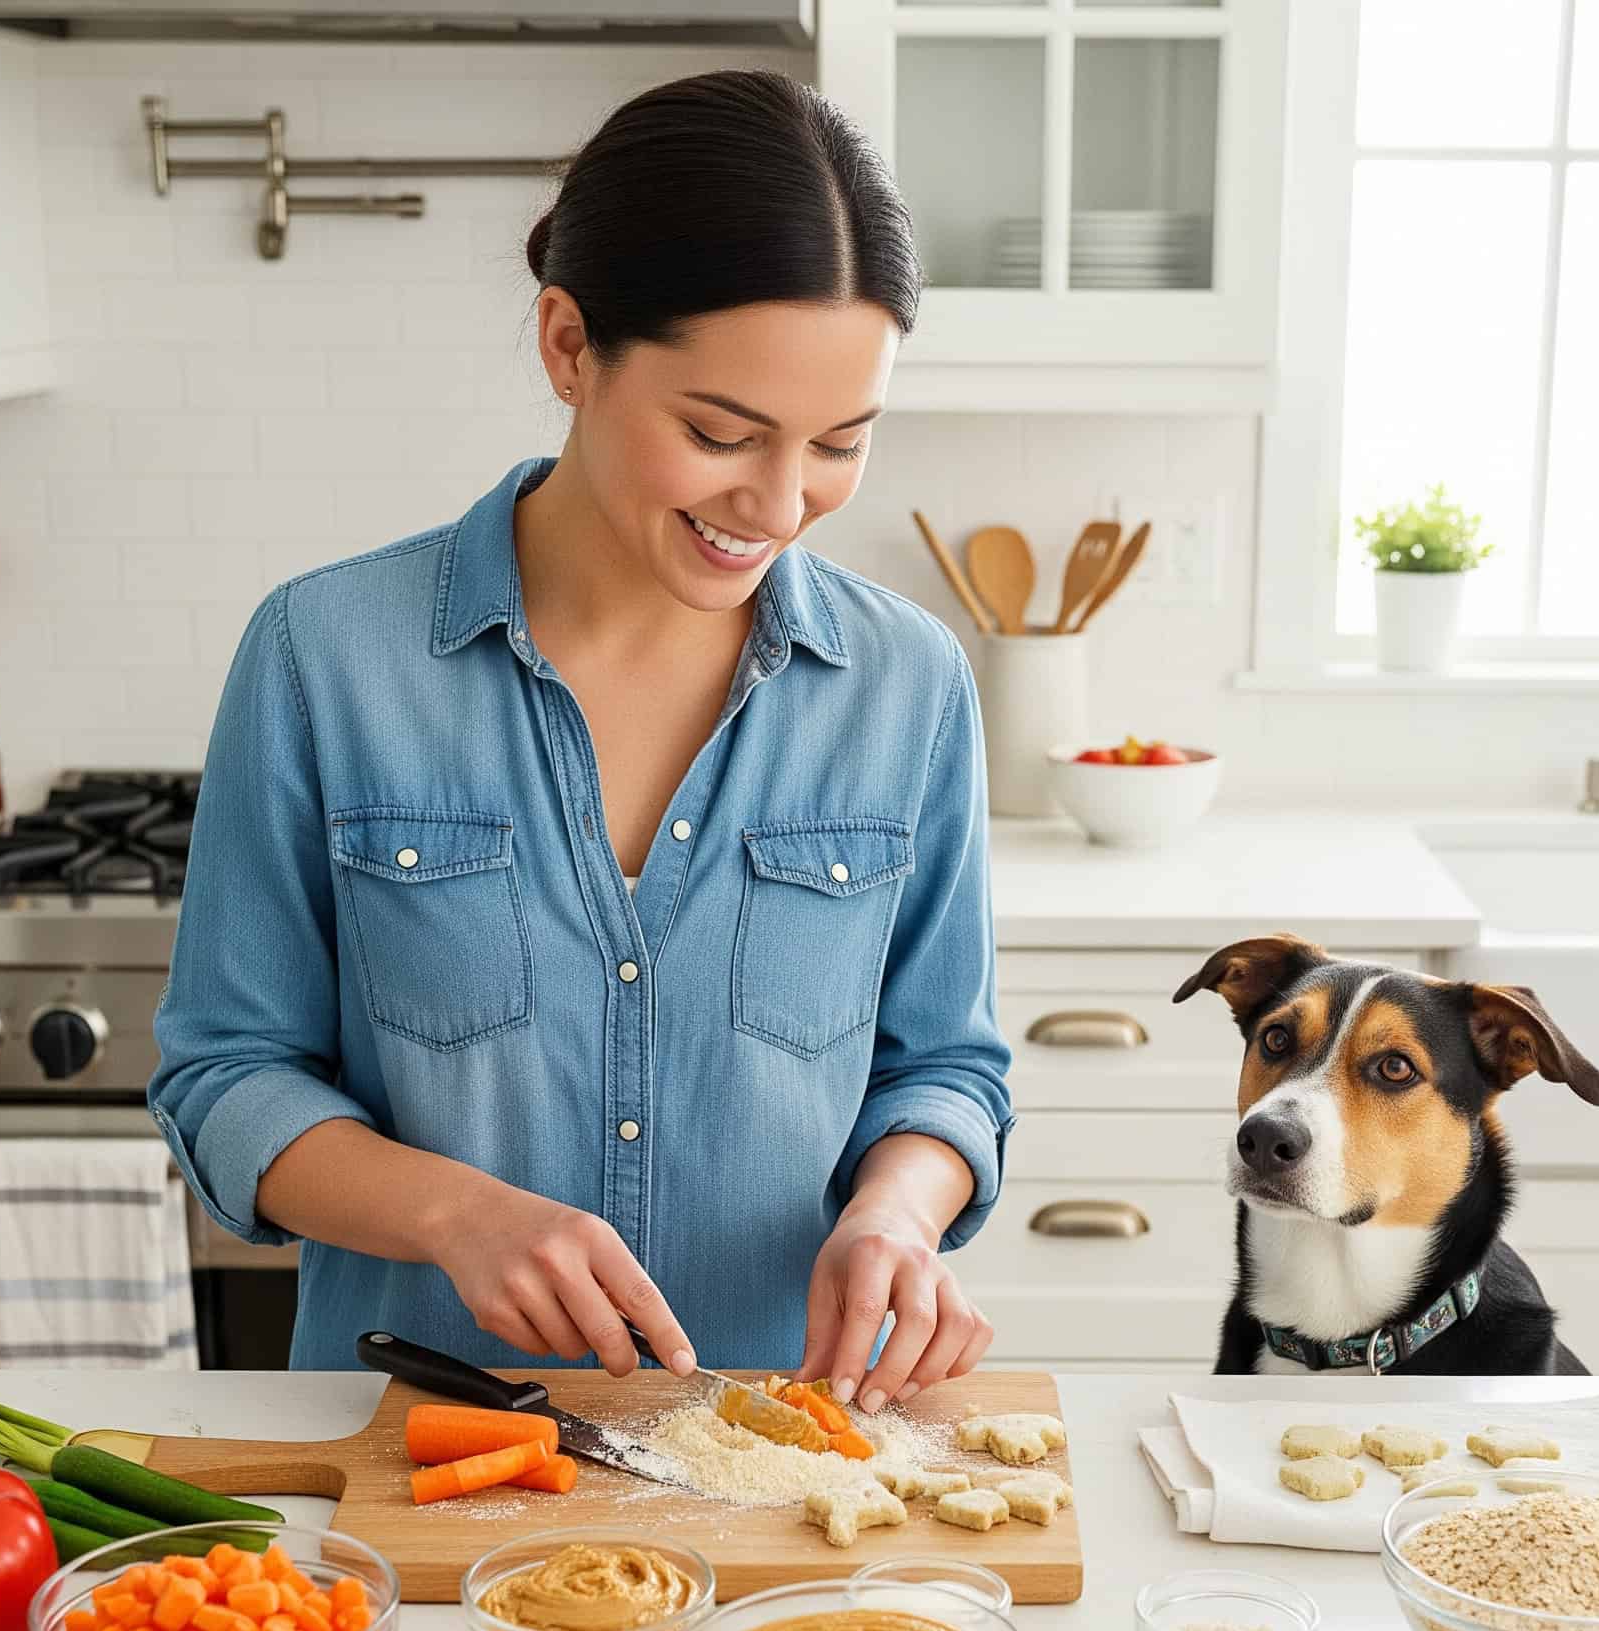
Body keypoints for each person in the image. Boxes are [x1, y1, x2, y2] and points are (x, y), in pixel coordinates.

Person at [149, 70, 1013, 1412]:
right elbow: (224, 1079)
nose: (781, 503)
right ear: (569, 347)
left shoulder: (907, 685)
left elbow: (945, 1068)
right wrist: (450, 1213)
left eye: (841, 443)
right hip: (420, 1452)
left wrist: (897, 1213)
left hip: (774, 1460)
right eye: (720, 434)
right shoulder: (325, 658)